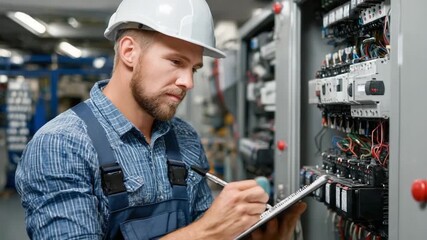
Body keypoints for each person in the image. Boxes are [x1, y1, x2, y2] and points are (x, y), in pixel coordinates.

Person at [16, 0, 306, 239]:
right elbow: (204, 233)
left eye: (194, 68)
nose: (188, 82)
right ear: (129, 51)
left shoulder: (184, 138)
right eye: (176, 62)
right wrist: (209, 231)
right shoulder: (60, 145)